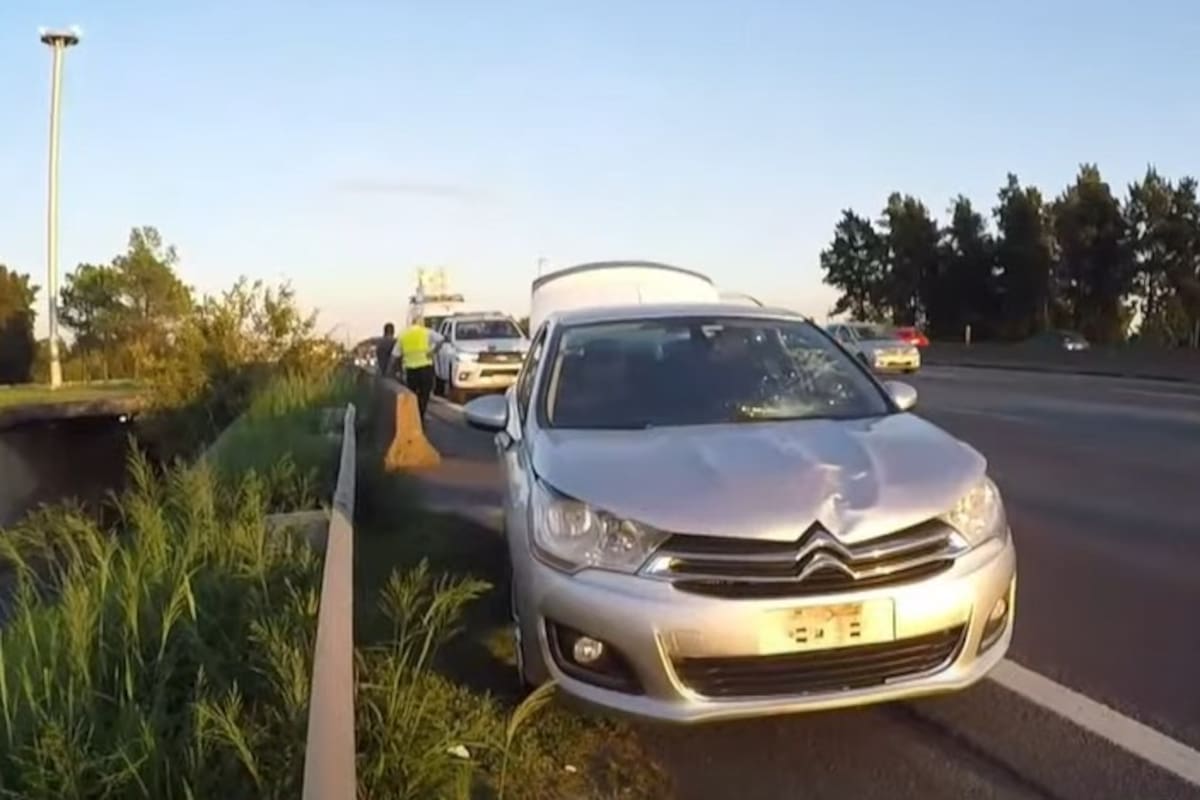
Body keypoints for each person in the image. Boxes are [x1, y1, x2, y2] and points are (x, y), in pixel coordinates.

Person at [399, 315, 442, 420]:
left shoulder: (403, 335)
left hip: (410, 369)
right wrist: (433, 352)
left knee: (413, 393)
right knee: (425, 392)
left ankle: (415, 414)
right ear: (421, 323)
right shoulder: (426, 332)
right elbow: (441, 339)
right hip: (425, 366)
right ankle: (421, 414)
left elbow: (395, 355)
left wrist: (389, 371)